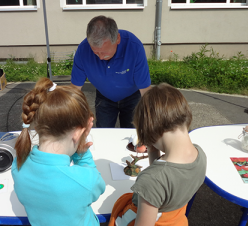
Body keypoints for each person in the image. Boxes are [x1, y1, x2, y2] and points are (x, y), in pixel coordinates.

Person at [108, 83, 207, 226]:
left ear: (149, 129)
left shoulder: (152, 180)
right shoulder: (199, 155)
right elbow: (168, 184)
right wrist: (153, 151)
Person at [11, 78, 106, 226]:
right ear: (78, 133)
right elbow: (98, 187)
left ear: (37, 127)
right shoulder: (85, 180)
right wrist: (82, 155)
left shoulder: (18, 165)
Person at [71, 15, 151, 128]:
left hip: (132, 97)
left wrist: (153, 118)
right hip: (104, 97)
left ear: (117, 39)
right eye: (96, 52)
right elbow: (75, 90)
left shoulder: (134, 47)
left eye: (105, 52)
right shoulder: (83, 50)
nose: (100, 57)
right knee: (103, 132)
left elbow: (145, 91)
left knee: (133, 133)